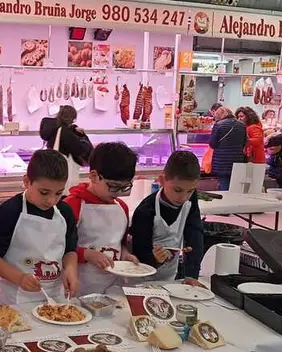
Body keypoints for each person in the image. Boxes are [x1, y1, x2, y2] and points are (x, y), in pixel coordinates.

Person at [0, 149, 79, 304]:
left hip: (56, 297)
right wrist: (19, 278)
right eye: (44, 192)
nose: (51, 200)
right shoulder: (10, 212)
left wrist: (70, 269)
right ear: (27, 181)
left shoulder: (64, 212)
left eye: (58, 193)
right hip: (17, 299)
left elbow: (69, 249)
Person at [63, 142, 140, 296]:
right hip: (80, 285)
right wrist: (86, 254)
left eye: (124, 187)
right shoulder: (73, 205)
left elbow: (120, 243)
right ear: (93, 176)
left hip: (112, 284)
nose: (118, 192)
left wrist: (126, 255)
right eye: (113, 186)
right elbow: (59, 247)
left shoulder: (121, 208)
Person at [130, 151, 205, 282]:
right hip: (140, 279)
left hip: (170, 277)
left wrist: (191, 275)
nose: (183, 197)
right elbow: (138, 253)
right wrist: (153, 258)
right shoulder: (145, 211)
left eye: (190, 191)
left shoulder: (190, 200)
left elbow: (195, 236)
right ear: (162, 180)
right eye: (177, 190)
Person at [209, 107, 247, 191]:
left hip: (222, 160)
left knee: (224, 183)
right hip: (237, 159)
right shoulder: (241, 125)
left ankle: (225, 201)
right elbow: (244, 142)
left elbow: (212, 144)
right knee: (234, 185)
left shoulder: (218, 125)